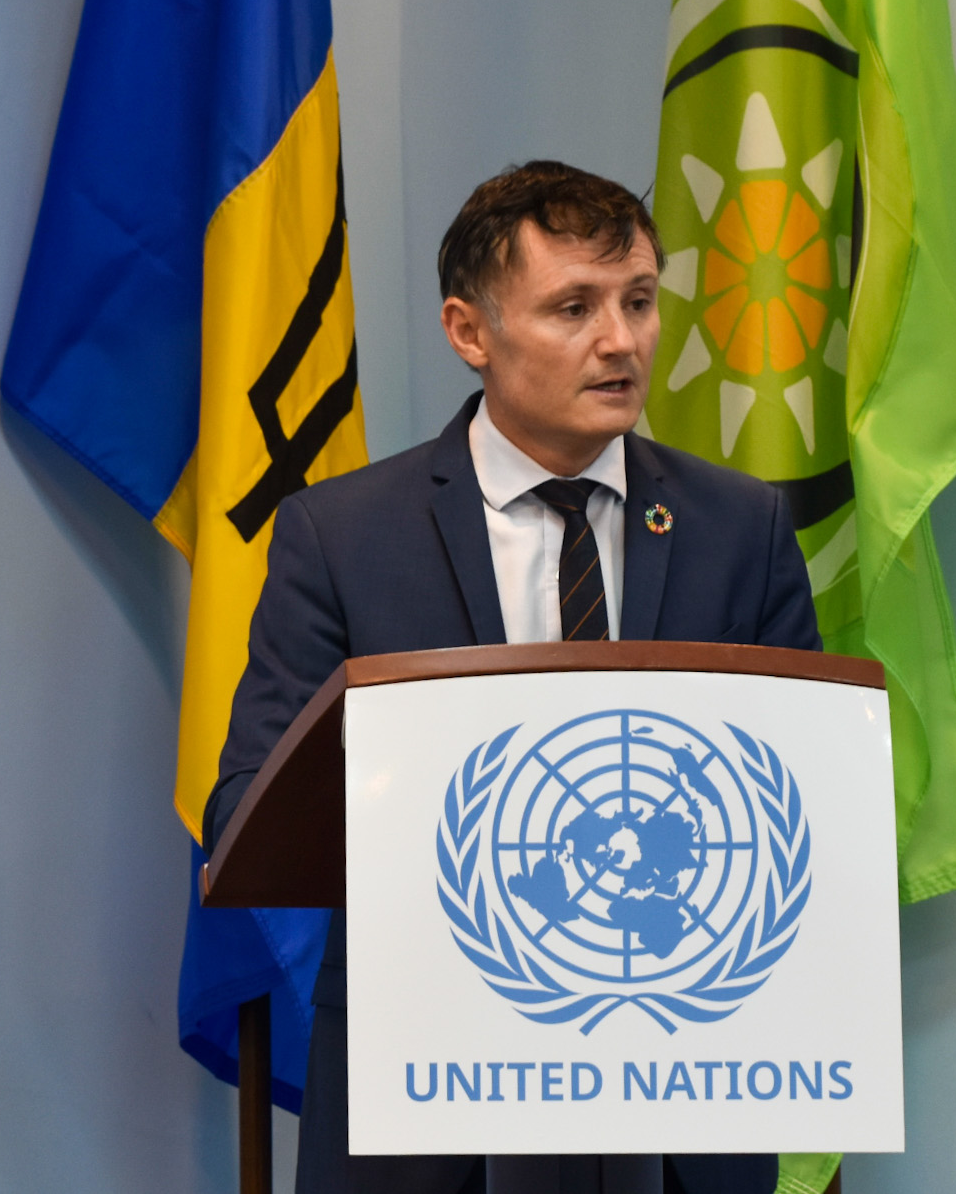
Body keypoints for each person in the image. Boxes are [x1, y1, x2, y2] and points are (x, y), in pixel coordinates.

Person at [203, 161, 820, 1194]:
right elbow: (245, 814)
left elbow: (806, 793)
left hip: (681, 1098)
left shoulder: (739, 526)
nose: (620, 341)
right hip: (429, 1106)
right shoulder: (343, 536)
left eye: (637, 300)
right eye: (573, 308)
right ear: (469, 331)